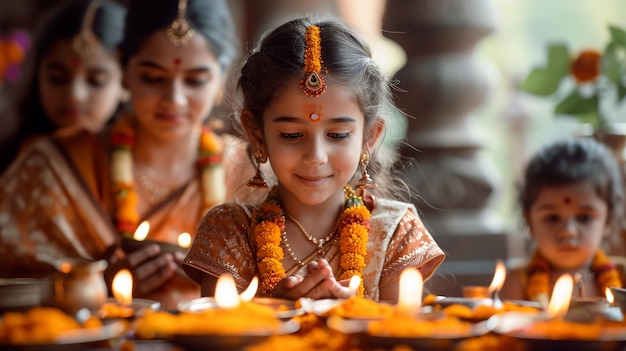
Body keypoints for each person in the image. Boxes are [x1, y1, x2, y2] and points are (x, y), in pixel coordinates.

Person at [0, 0, 255, 309]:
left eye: (194, 80)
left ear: (221, 77)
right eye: (152, 77)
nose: (174, 99)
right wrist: (96, 283)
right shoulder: (49, 167)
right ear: (124, 68)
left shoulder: (249, 171)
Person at [183, 17, 446, 302]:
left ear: (369, 137)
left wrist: (349, 318)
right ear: (256, 134)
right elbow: (217, 336)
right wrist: (272, 310)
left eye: (337, 135)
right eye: (292, 135)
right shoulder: (230, 233)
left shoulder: (394, 232)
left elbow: (403, 338)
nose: (315, 157)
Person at [0, 0, 126, 175]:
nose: (75, 94)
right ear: (38, 76)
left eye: (96, 80)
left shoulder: (144, 166)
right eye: (57, 78)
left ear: (126, 83)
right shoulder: (12, 163)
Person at [500, 137, 625, 307]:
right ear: (529, 221)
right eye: (552, 218)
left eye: (584, 218)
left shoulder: (622, 275)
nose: (568, 231)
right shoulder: (517, 282)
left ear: (608, 221)